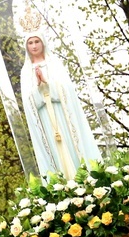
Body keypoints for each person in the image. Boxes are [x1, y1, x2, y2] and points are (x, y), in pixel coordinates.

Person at [19, 30, 101, 178]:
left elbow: (67, 90)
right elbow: (28, 102)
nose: (34, 46)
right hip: (45, 119)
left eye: (37, 41)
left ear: (43, 43)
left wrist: (47, 83)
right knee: (54, 152)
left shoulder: (54, 63)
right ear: (26, 46)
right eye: (30, 43)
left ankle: (83, 179)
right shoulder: (25, 72)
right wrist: (38, 88)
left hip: (63, 114)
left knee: (71, 146)